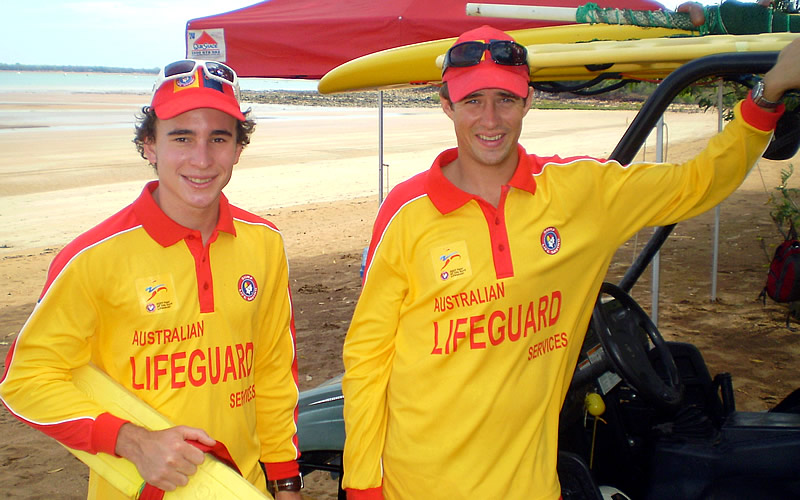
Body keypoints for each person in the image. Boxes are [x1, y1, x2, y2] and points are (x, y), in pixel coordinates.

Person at [340, 24, 800, 500]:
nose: (490, 118)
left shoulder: (579, 193)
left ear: (529, 101)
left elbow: (697, 183)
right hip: (415, 485)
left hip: (530, 485)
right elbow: (368, 359)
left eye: (506, 99)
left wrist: (768, 94)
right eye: (473, 101)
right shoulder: (406, 212)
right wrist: (362, 484)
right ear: (446, 105)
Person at [0, 60, 303, 499]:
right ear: (150, 146)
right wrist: (132, 441)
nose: (202, 159)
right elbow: (25, 380)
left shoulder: (264, 243)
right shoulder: (94, 257)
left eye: (219, 138)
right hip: (140, 488)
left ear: (238, 148)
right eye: (182, 137)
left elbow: (273, 372)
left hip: (240, 488)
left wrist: (285, 478)